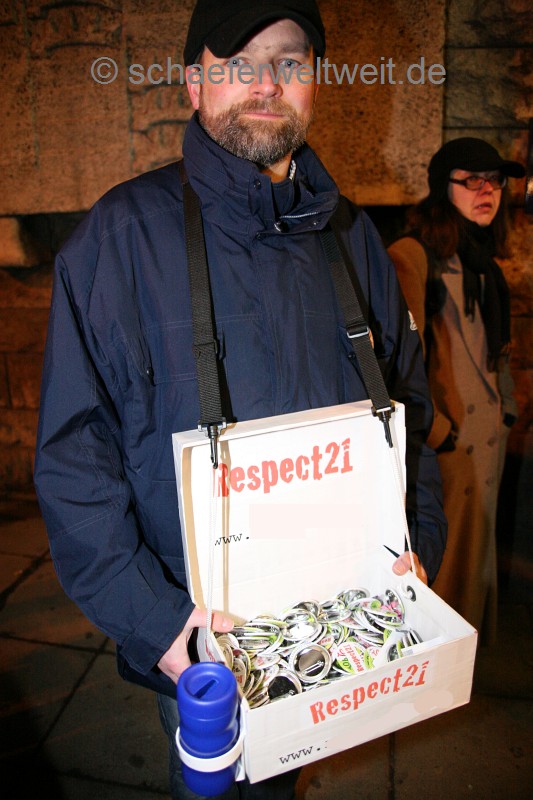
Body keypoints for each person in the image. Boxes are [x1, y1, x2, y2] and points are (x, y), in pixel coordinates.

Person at [34, 1, 446, 797]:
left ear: (314, 83)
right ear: (194, 83)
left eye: (289, 62)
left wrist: (413, 547)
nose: (266, 83)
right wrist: (157, 625)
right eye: (237, 63)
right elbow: (73, 460)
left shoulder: (352, 237)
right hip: (201, 638)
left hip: (337, 621)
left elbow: (408, 412)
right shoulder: (120, 238)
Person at [388, 137, 525, 646]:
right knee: (441, 583)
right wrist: (439, 433)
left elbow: (496, 352)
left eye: (495, 181)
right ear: (443, 189)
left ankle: (464, 668)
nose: (486, 190)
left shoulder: (484, 266)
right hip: (446, 452)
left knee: (471, 578)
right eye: (471, 180)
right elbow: (399, 360)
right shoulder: (413, 256)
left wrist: (506, 411)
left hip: (483, 443)